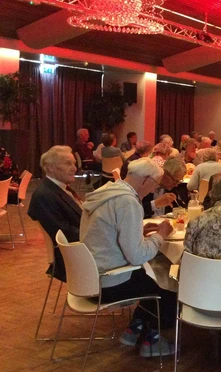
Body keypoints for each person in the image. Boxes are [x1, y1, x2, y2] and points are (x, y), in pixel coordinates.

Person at [80, 158, 177, 356]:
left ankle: (134, 329)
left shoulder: (107, 191)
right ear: (146, 179)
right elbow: (138, 256)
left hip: (90, 276)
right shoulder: (127, 201)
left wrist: (138, 231)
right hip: (110, 281)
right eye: (155, 184)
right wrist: (160, 235)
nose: (154, 189)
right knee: (169, 288)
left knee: (153, 278)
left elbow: (110, 232)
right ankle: (152, 342)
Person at [28, 146, 82, 282]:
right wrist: (102, 234)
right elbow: (65, 233)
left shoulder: (59, 188)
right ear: (50, 167)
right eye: (68, 163)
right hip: (74, 257)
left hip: (82, 246)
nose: (74, 168)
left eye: (74, 163)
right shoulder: (44, 195)